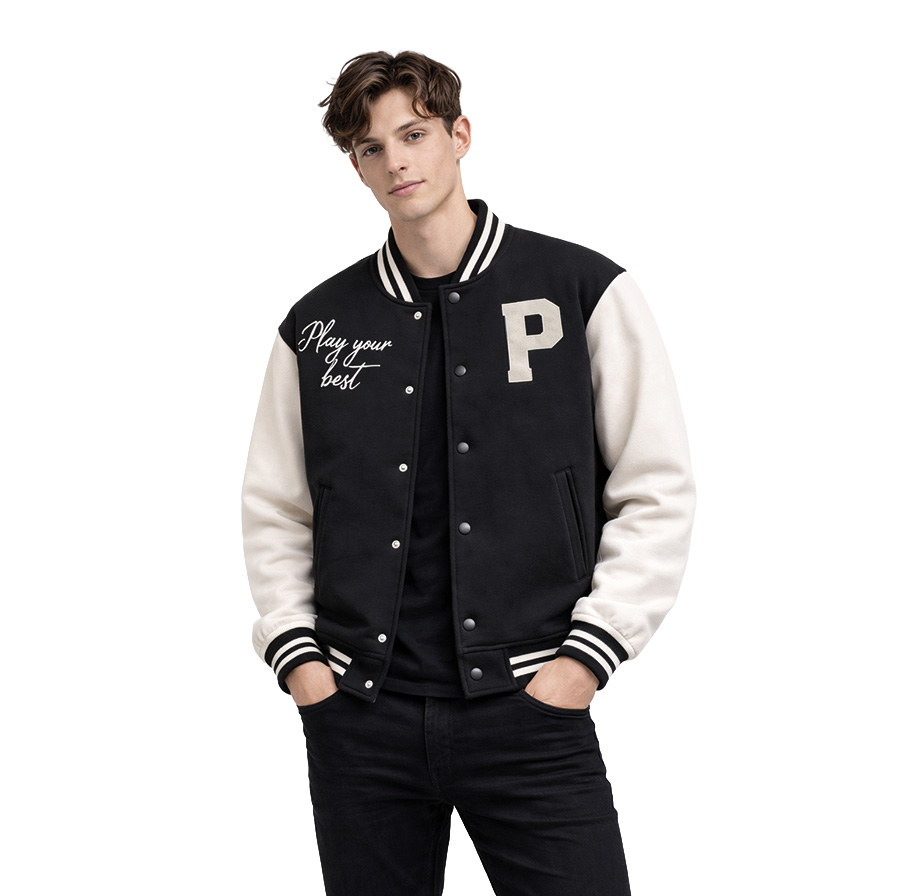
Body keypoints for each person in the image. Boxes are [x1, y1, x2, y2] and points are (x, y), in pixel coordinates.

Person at [241, 50, 695, 896]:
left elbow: (655, 488)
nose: (396, 161)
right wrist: (303, 666)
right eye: (371, 148)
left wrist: (585, 661)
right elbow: (278, 508)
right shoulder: (320, 325)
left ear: (460, 136)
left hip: (531, 709)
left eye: (413, 134)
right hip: (360, 718)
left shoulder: (580, 288)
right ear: (355, 166)